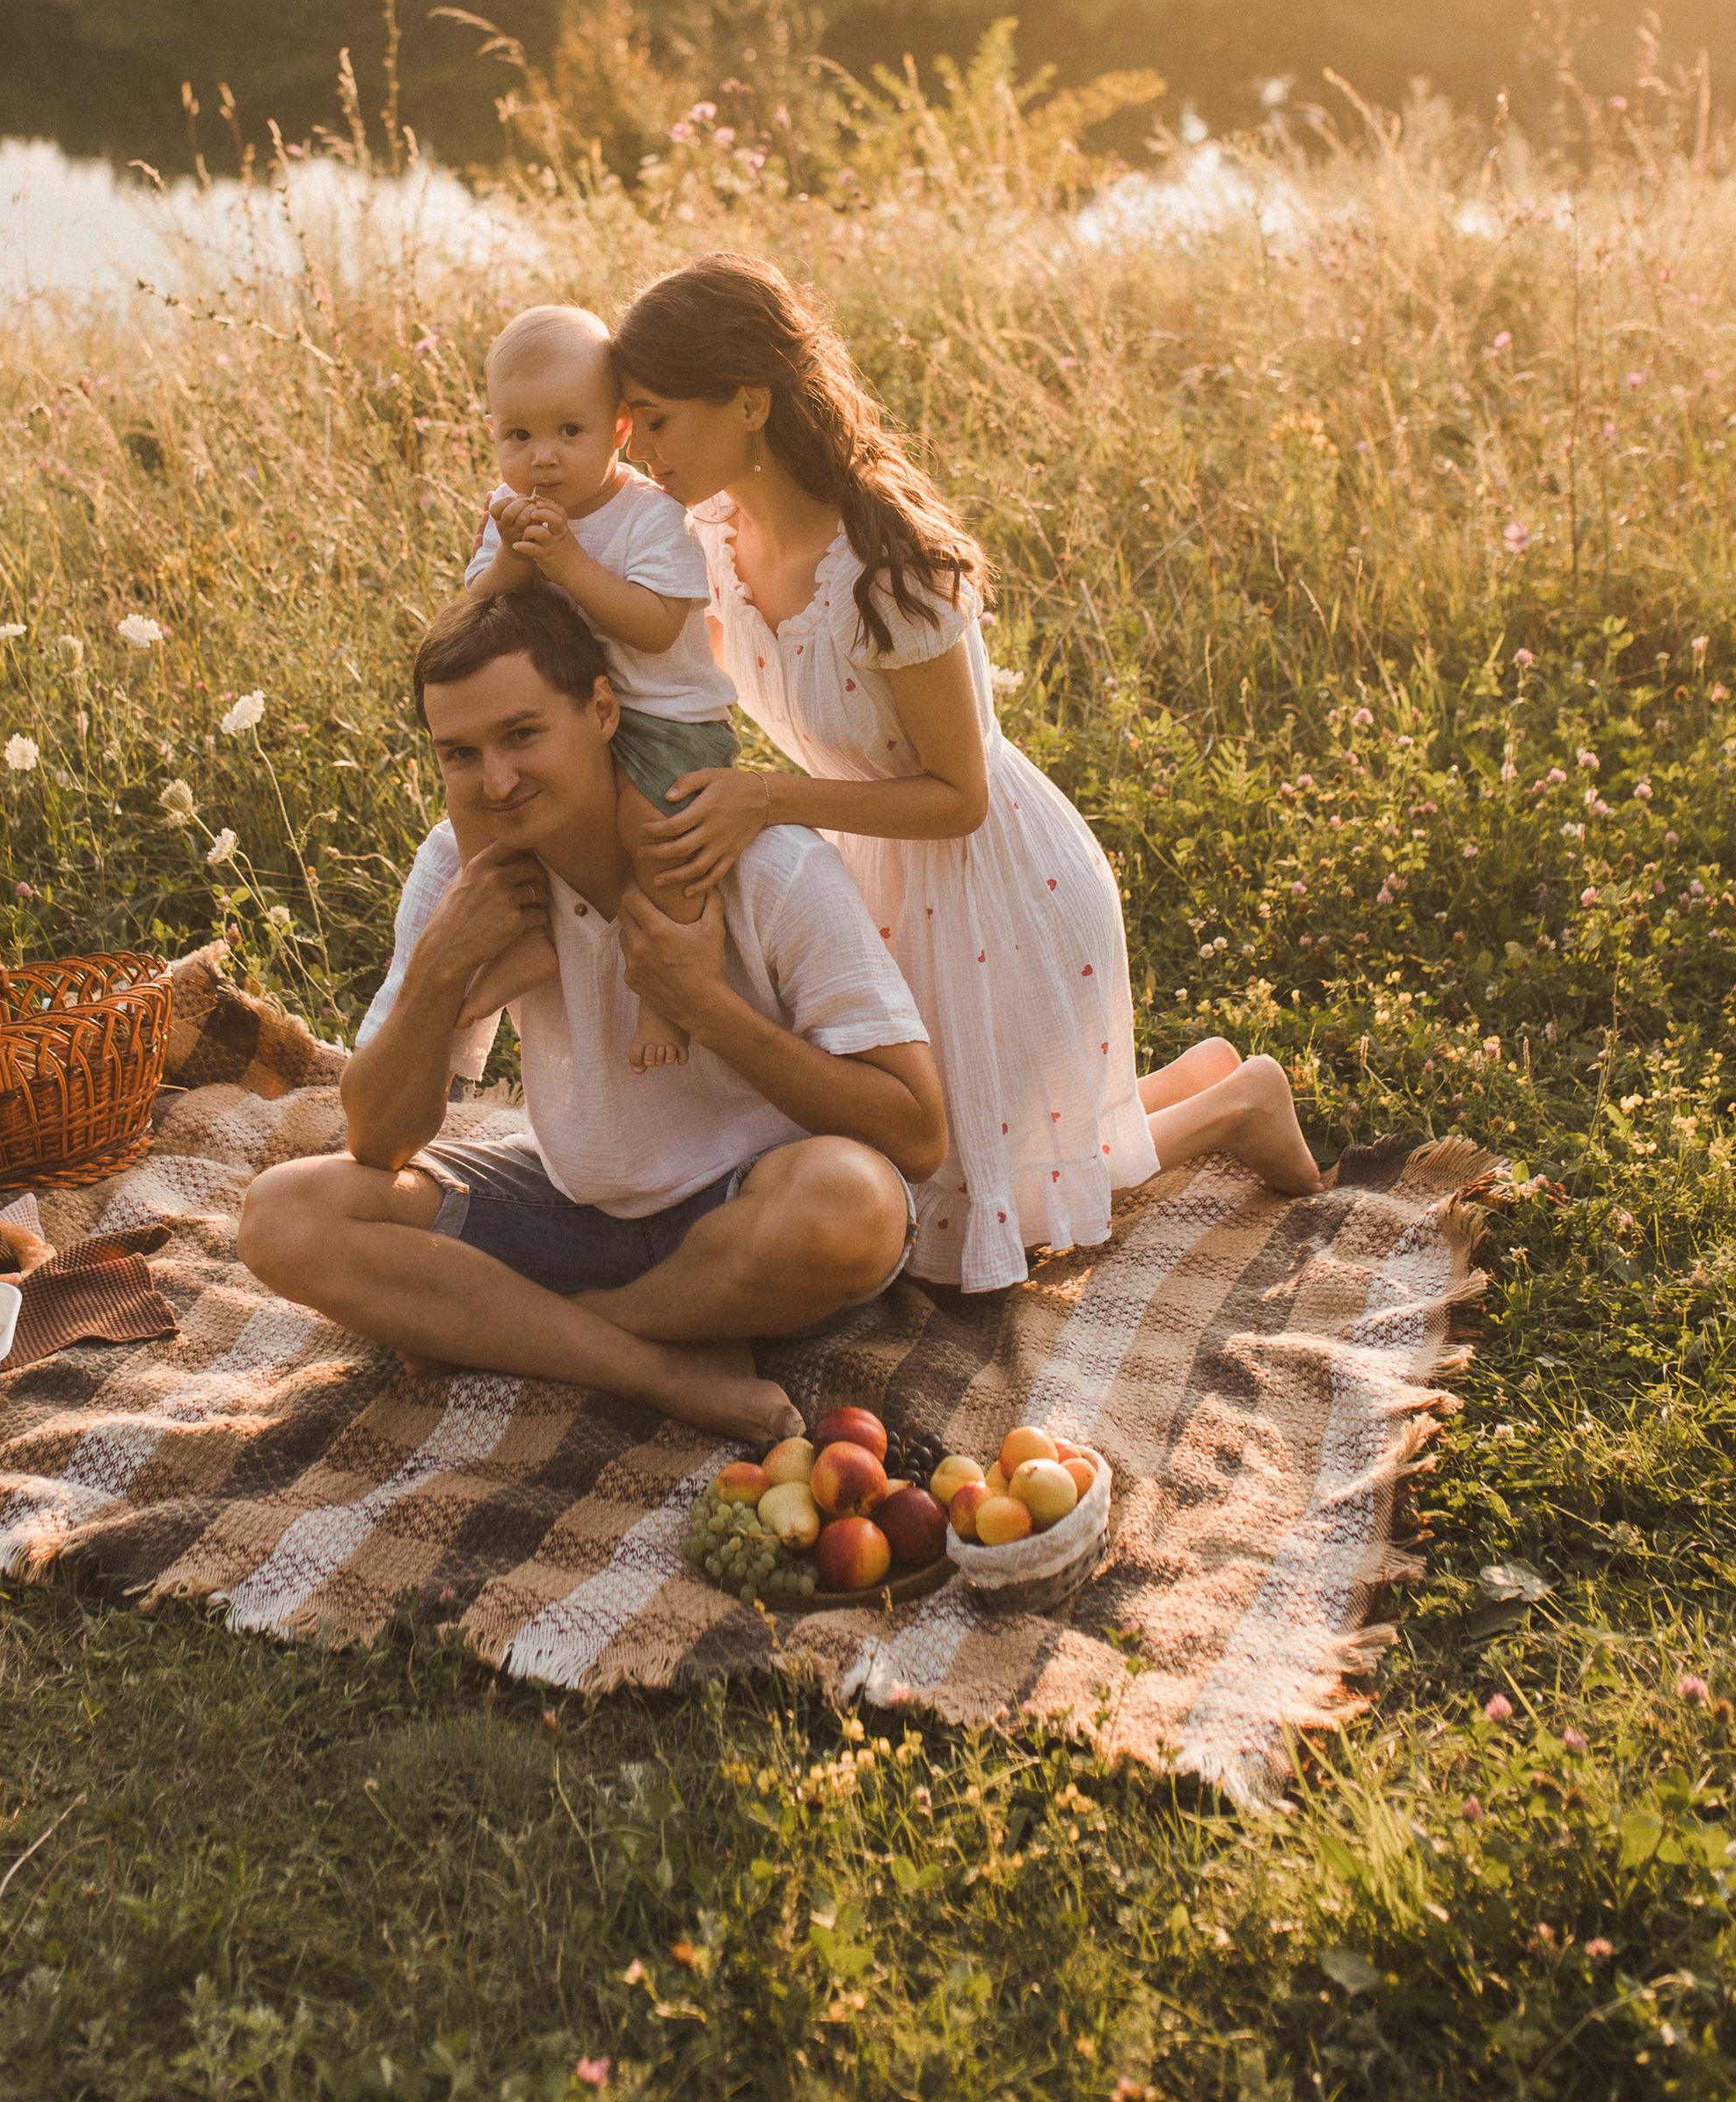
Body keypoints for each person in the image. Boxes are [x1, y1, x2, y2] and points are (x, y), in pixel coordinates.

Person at [609, 252, 1322, 1297]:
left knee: (980, 1207)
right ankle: (1193, 1082)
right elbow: (676, 659)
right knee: (926, 1165)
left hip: (989, 880)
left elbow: (960, 796)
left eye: (657, 416)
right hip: (869, 861)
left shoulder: (893, 573)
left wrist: (765, 798)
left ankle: (1237, 1102)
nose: (640, 447)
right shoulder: (707, 530)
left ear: (749, 404)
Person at [237, 581, 948, 1444]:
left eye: (522, 735)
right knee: (285, 1216)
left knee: (852, 1206)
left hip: (752, 1219)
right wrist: (442, 964)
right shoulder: (460, 871)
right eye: (459, 754)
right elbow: (379, 1144)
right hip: (569, 1209)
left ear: (602, 710)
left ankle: (541, 1327)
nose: (495, 781)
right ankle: (660, 1367)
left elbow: (913, 1135)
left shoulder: (767, 867)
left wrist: (702, 1006)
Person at [462, 299, 740, 1070]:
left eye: (568, 432)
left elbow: (655, 626)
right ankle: (523, 939)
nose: (542, 457)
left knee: (659, 842)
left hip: (666, 715)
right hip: (576, 721)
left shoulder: (652, 516)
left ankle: (675, 985)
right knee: (481, 808)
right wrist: (518, 559)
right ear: (493, 432)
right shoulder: (509, 514)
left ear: (619, 429)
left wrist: (571, 566)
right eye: (519, 436)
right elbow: (476, 613)